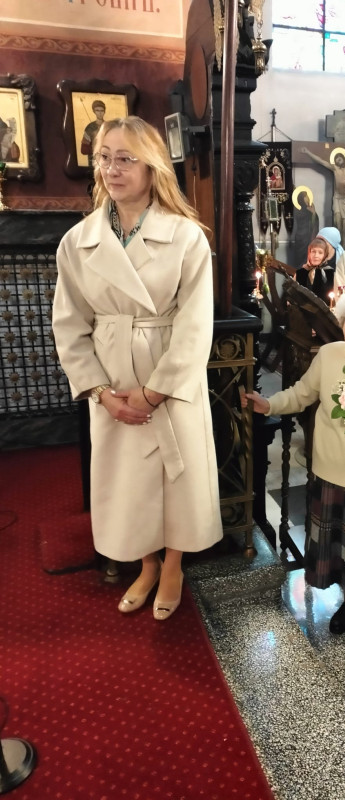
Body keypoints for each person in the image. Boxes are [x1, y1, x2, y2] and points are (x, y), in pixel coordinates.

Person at [53, 116, 223, 620]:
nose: (112, 168)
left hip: (168, 376)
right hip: (112, 379)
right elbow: (69, 324)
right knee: (129, 481)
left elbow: (196, 324)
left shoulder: (186, 237)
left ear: (153, 166)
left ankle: (173, 566)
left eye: (125, 158)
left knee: (177, 478)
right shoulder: (77, 241)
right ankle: (146, 564)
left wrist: (154, 392)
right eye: (104, 157)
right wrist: (100, 392)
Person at [242, 285, 345, 646]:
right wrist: (269, 405)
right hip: (329, 469)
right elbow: (302, 394)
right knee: (339, 546)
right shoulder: (329, 355)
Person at [295, 237, 334, 304]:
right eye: (313, 251)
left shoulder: (330, 273)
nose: (316, 255)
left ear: (325, 255)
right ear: (309, 253)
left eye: (320, 253)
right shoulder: (300, 272)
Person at [293, 190, 320, 267]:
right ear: (301, 198)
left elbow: (315, 222)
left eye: (307, 197)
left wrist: (313, 213)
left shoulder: (310, 208)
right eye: (305, 197)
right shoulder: (297, 209)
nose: (307, 199)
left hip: (308, 238)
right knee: (300, 261)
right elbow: (298, 221)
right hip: (300, 239)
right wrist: (311, 213)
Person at [80, 100, 106, 166]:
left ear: (104, 111)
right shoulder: (90, 128)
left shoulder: (108, 126)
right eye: (97, 110)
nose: (100, 113)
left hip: (106, 161)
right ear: (94, 111)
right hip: (93, 163)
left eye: (102, 110)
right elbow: (83, 150)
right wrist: (94, 147)